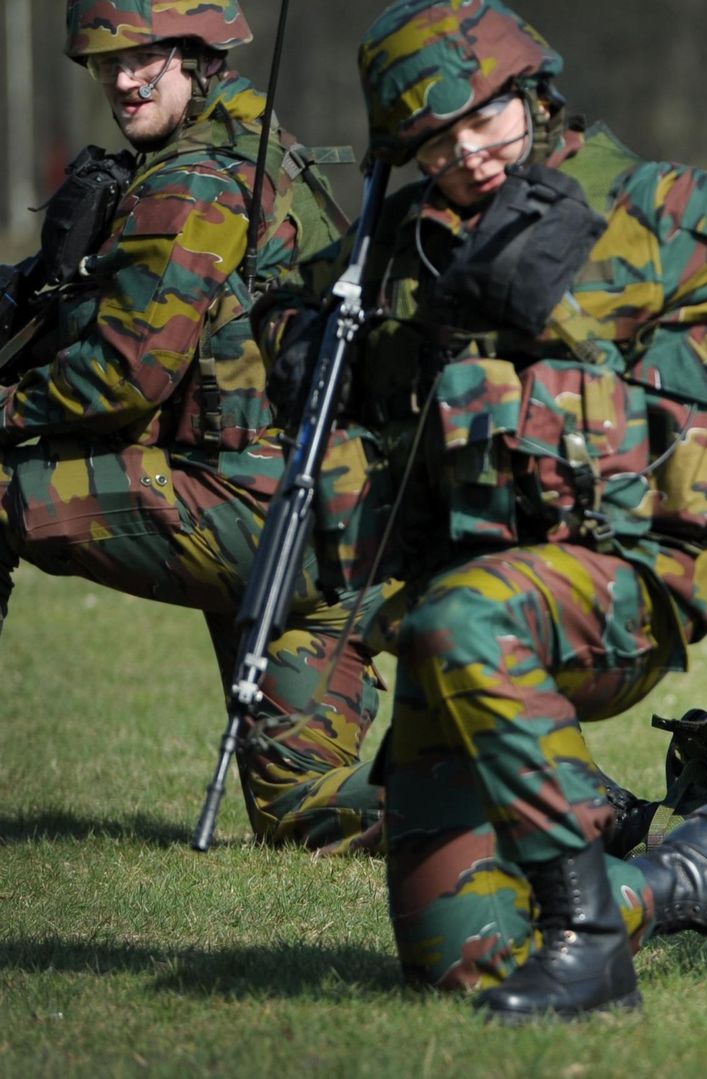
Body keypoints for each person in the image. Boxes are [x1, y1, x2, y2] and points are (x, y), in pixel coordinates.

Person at [267, 0, 707, 1024]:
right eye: (436, 140)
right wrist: (303, 339)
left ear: (534, 94)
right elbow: (301, 328)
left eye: (488, 121)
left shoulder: (644, 209)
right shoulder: (404, 249)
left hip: (620, 583)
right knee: (465, 959)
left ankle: (592, 944)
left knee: (466, 616)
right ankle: (690, 875)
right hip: (460, 610)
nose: (468, 154)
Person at [0, 0, 382, 854]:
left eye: (146, 58)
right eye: (107, 63)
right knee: (301, 811)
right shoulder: (262, 146)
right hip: (333, 533)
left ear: (196, 54)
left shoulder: (194, 180)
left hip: (253, 506)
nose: (124, 80)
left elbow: (123, 378)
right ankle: (550, 813)